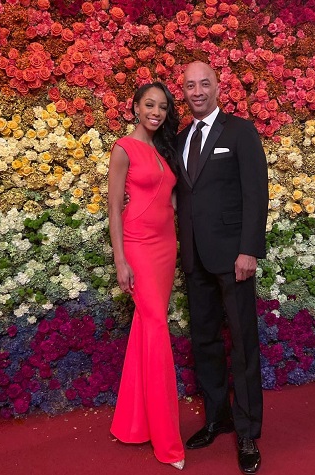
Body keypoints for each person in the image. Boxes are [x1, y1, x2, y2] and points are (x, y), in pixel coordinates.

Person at [176, 61, 269, 474]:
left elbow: (256, 192)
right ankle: (218, 417)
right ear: (183, 91)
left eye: (204, 84)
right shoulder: (180, 138)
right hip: (195, 257)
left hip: (234, 257)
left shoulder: (240, 131)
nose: (197, 91)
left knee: (243, 342)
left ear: (217, 86)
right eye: (190, 85)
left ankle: (248, 431)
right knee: (205, 340)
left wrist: (249, 250)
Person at [108, 82, 185, 470]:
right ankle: (168, 443)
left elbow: (172, 200)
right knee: (155, 327)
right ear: (135, 107)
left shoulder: (164, 149)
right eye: (149, 105)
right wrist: (121, 261)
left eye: (162, 107)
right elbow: (113, 209)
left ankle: (132, 423)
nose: (156, 112)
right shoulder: (123, 149)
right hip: (137, 245)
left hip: (166, 247)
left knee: (145, 327)